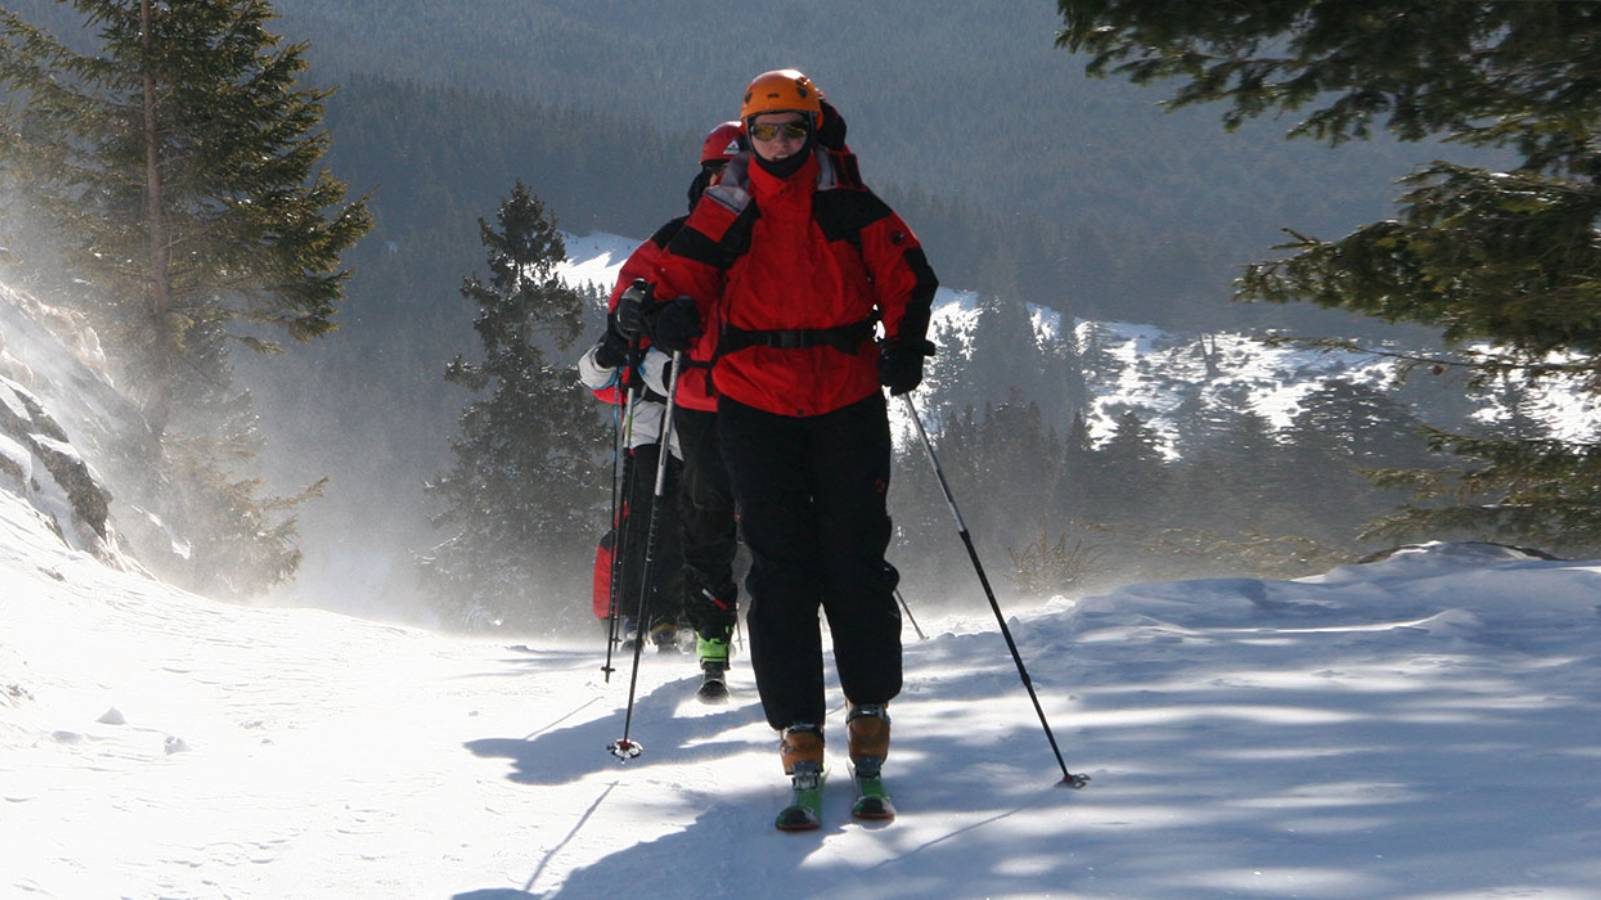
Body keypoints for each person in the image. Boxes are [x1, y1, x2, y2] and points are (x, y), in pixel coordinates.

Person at [642, 70, 938, 796]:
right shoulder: (726, 206)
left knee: (855, 558)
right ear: (747, 137)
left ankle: (868, 708)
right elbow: (679, 278)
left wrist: (904, 343)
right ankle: (797, 726)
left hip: (844, 393)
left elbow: (908, 275)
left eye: (792, 131)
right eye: (765, 132)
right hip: (754, 401)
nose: (778, 144)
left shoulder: (848, 202)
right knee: (778, 570)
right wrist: (670, 315)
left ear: (814, 133)